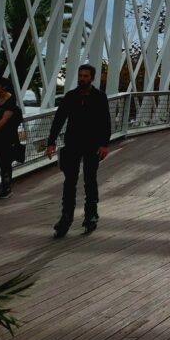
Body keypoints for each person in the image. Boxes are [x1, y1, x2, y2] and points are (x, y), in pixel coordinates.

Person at [45, 64, 111, 237]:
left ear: (92, 78)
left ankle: (91, 215)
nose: (82, 79)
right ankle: (66, 217)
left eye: (86, 76)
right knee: (69, 181)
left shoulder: (99, 97)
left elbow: (105, 121)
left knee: (90, 179)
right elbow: (59, 119)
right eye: (80, 76)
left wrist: (104, 144)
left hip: (92, 144)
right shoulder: (70, 96)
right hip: (73, 143)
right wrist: (51, 142)